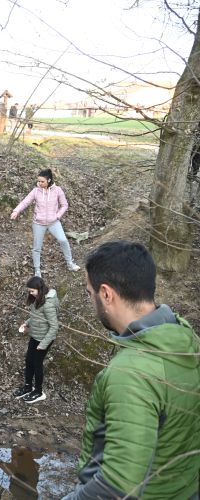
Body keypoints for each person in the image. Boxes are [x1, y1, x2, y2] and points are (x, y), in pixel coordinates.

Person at [66, 241, 200, 500]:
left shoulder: (131, 374)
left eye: (89, 293)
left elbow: (116, 487)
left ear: (106, 294)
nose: (89, 299)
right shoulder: (185, 340)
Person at [11, 168, 81, 277]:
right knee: (37, 247)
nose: (39, 183)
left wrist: (57, 216)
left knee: (63, 240)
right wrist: (16, 211)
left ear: (49, 180)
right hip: (38, 223)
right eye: (38, 181)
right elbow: (25, 202)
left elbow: (64, 205)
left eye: (42, 181)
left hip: (54, 222)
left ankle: (70, 263)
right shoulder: (35, 191)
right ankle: (37, 270)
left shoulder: (58, 190)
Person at [13, 277, 58, 404]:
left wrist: (43, 344)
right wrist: (26, 324)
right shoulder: (36, 300)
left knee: (37, 364)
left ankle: (38, 391)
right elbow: (35, 317)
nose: (30, 293)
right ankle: (28, 386)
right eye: (29, 291)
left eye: (32, 291)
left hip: (44, 339)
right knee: (29, 361)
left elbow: (54, 326)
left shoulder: (48, 305)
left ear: (39, 289)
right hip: (35, 336)